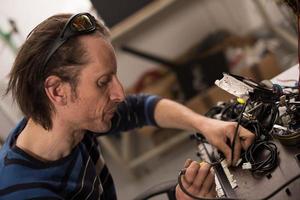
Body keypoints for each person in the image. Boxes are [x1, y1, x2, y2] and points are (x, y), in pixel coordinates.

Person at [0, 13, 255, 200]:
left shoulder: (70, 122)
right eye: (102, 82)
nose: (119, 93)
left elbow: (141, 107)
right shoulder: (26, 194)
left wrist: (206, 124)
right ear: (58, 91)